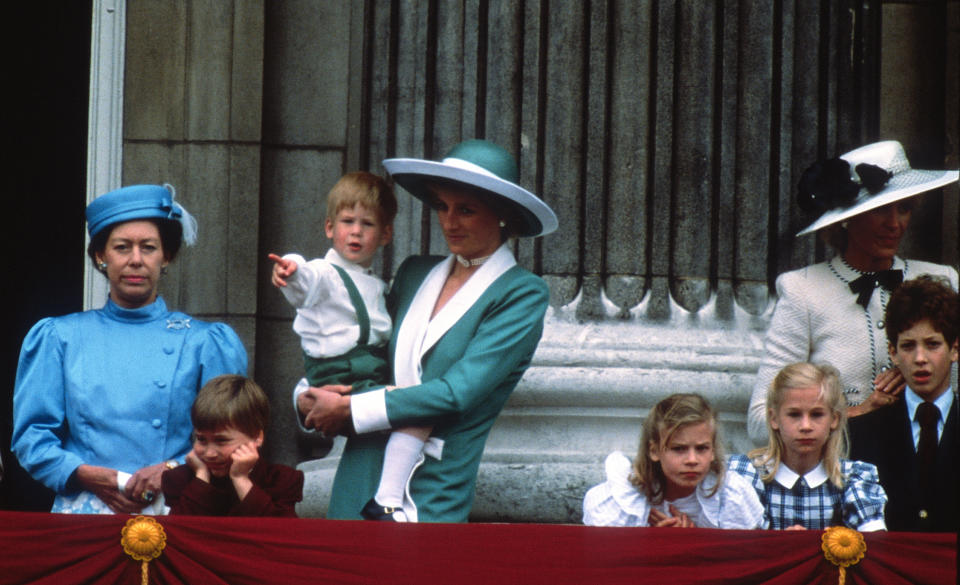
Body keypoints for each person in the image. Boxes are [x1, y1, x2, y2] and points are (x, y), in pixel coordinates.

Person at [295, 139, 558, 522]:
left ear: (503, 215)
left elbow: (457, 393)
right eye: (443, 207)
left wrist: (350, 408)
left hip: (431, 493)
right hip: (357, 474)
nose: (449, 222)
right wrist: (309, 396)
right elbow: (365, 352)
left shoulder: (522, 293)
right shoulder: (415, 271)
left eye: (466, 210)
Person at [11, 184, 248, 514]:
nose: (136, 260)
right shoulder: (60, 337)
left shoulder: (204, 342)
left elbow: (232, 437)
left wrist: (171, 471)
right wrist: (83, 474)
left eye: (148, 247)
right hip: (84, 513)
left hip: (180, 509)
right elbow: (32, 437)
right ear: (100, 256)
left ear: (165, 256)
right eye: (122, 247)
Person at [747, 140, 959, 444]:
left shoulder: (943, 280)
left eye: (904, 208)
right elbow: (759, 422)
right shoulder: (804, 291)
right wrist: (860, 412)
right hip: (844, 476)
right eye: (881, 209)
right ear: (847, 217)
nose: (895, 223)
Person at [269, 171, 409, 513]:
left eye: (368, 224)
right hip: (339, 375)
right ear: (330, 228)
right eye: (348, 222)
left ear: (386, 233)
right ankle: (388, 497)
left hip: (363, 370)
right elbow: (307, 281)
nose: (356, 231)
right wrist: (292, 270)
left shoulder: (376, 284)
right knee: (408, 410)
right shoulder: (327, 274)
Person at [848, 275, 958, 531]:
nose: (920, 358)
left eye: (932, 345)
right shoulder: (862, 433)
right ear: (893, 353)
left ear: (955, 349)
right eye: (908, 346)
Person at [730, 363, 886, 531]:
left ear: (834, 419)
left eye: (816, 414)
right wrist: (776, 543)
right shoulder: (746, 475)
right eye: (794, 414)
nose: (805, 426)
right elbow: (738, 546)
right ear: (774, 419)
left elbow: (874, 543)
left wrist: (842, 543)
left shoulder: (853, 477)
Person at [582, 393, 765, 529]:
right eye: (679, 449)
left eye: (702, 448)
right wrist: (654, 544)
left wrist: (695, 544)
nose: (692, 460)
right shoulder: (625, 499)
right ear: (654, 451)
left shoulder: (729, 494)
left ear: (712, 452)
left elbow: (744, 561)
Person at [162, 375, 303, 516]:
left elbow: (279, 532)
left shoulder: (282, 480)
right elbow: (179, 531)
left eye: (221, 441)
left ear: (256, 437)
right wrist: (201, 478)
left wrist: (240, 478)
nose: (210, 453)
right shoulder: (179, 479)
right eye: (201, 439)